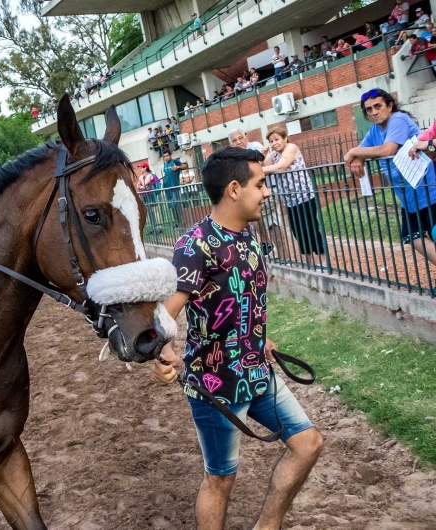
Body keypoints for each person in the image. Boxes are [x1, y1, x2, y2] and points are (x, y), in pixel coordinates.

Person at [151, 147, 323, 530]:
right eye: (260, 183)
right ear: (233, 188)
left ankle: (267, 525)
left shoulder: (249, 236)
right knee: (221, 479)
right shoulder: (194, 245)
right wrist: (164, 354)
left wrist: (259, 338)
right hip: (216, 385)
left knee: (308, 444)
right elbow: (165, 314)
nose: (266, 192)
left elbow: (241, 296)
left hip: (257, 372)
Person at [344, 89, 436, 279]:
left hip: (429, 189)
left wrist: (354, 152)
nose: (374, 112)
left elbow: (387, 150)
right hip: (409, 197)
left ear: (390, 105)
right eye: (369, 109)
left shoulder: (398, 119)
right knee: (411, 235)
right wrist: (357, 158)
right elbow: (363, 150)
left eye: (378, 106)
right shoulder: (375, 130)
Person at [263, 129, 328, 258]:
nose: (274, 143)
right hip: (289, 201)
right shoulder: (274, 155)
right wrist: (263, 156)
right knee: (298, 232)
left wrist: (261, 169)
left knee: (311, 229)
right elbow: (263, 168)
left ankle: (324, 263)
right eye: (271, 141)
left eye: (277, 139)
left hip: (304, 196)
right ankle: (310, 264)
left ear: (285, 138)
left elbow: (281, 167)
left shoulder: (291, 148)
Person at [228, 129, 286, 259]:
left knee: (272, 223)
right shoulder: (235, 156)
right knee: (253, 218)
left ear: (246, 137)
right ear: (231, 144)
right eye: (234, 140)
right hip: (253, 194)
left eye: (240, 138)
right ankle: (268, 245)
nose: (239, 142)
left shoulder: (255, 147)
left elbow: (258, 168)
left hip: (268, 189)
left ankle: (282, 256)